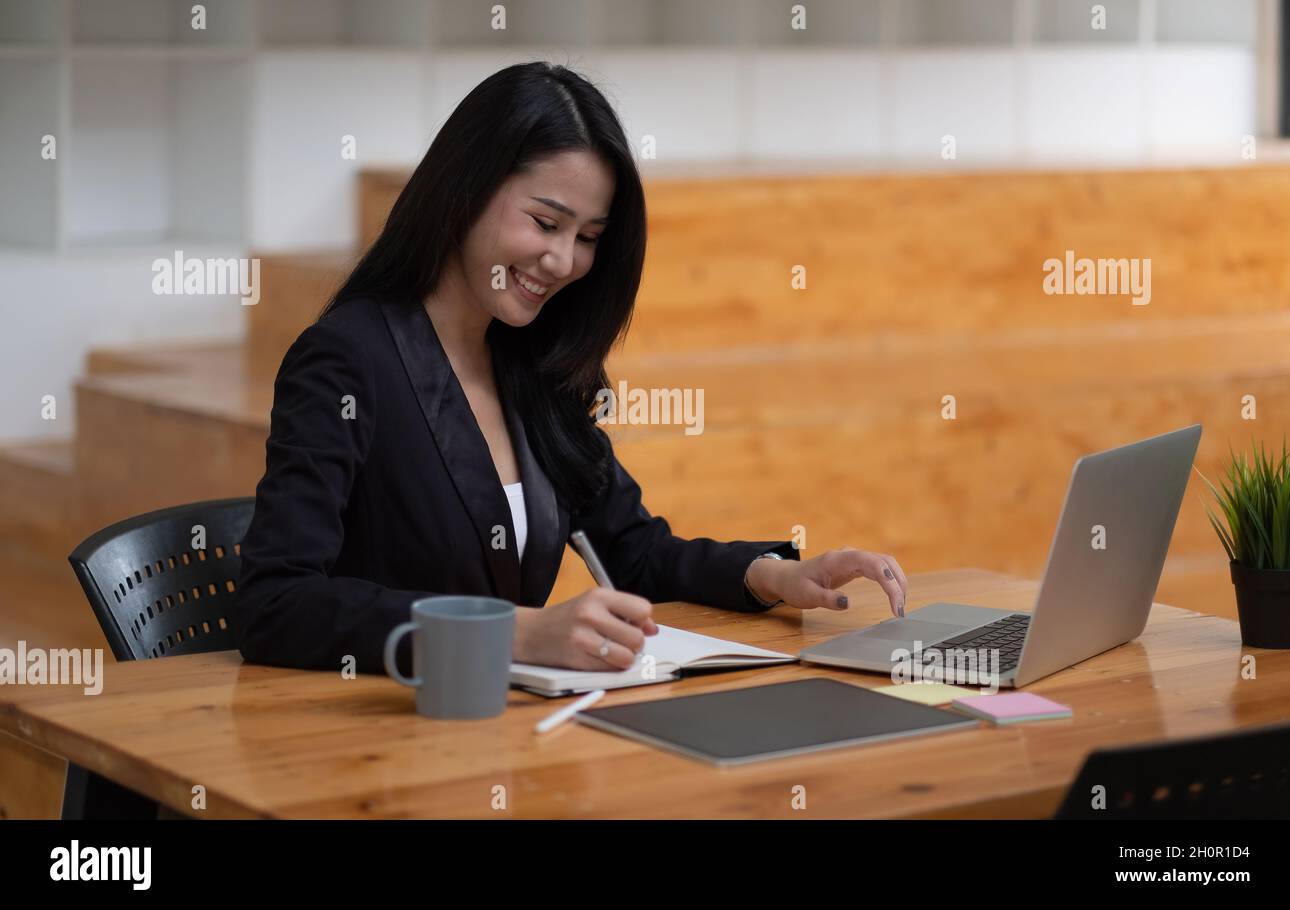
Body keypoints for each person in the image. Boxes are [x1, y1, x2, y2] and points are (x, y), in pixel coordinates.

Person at [235, 62, 908, 679]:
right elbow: (278, 603)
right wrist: (513, 634)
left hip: (497, 736)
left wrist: (776, 576)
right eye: (544, 222)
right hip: (367, 741)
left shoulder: (532, 364)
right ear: (464, 190)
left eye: (587, 238)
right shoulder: (349, 359)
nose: (563, 261)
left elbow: (634, 552)